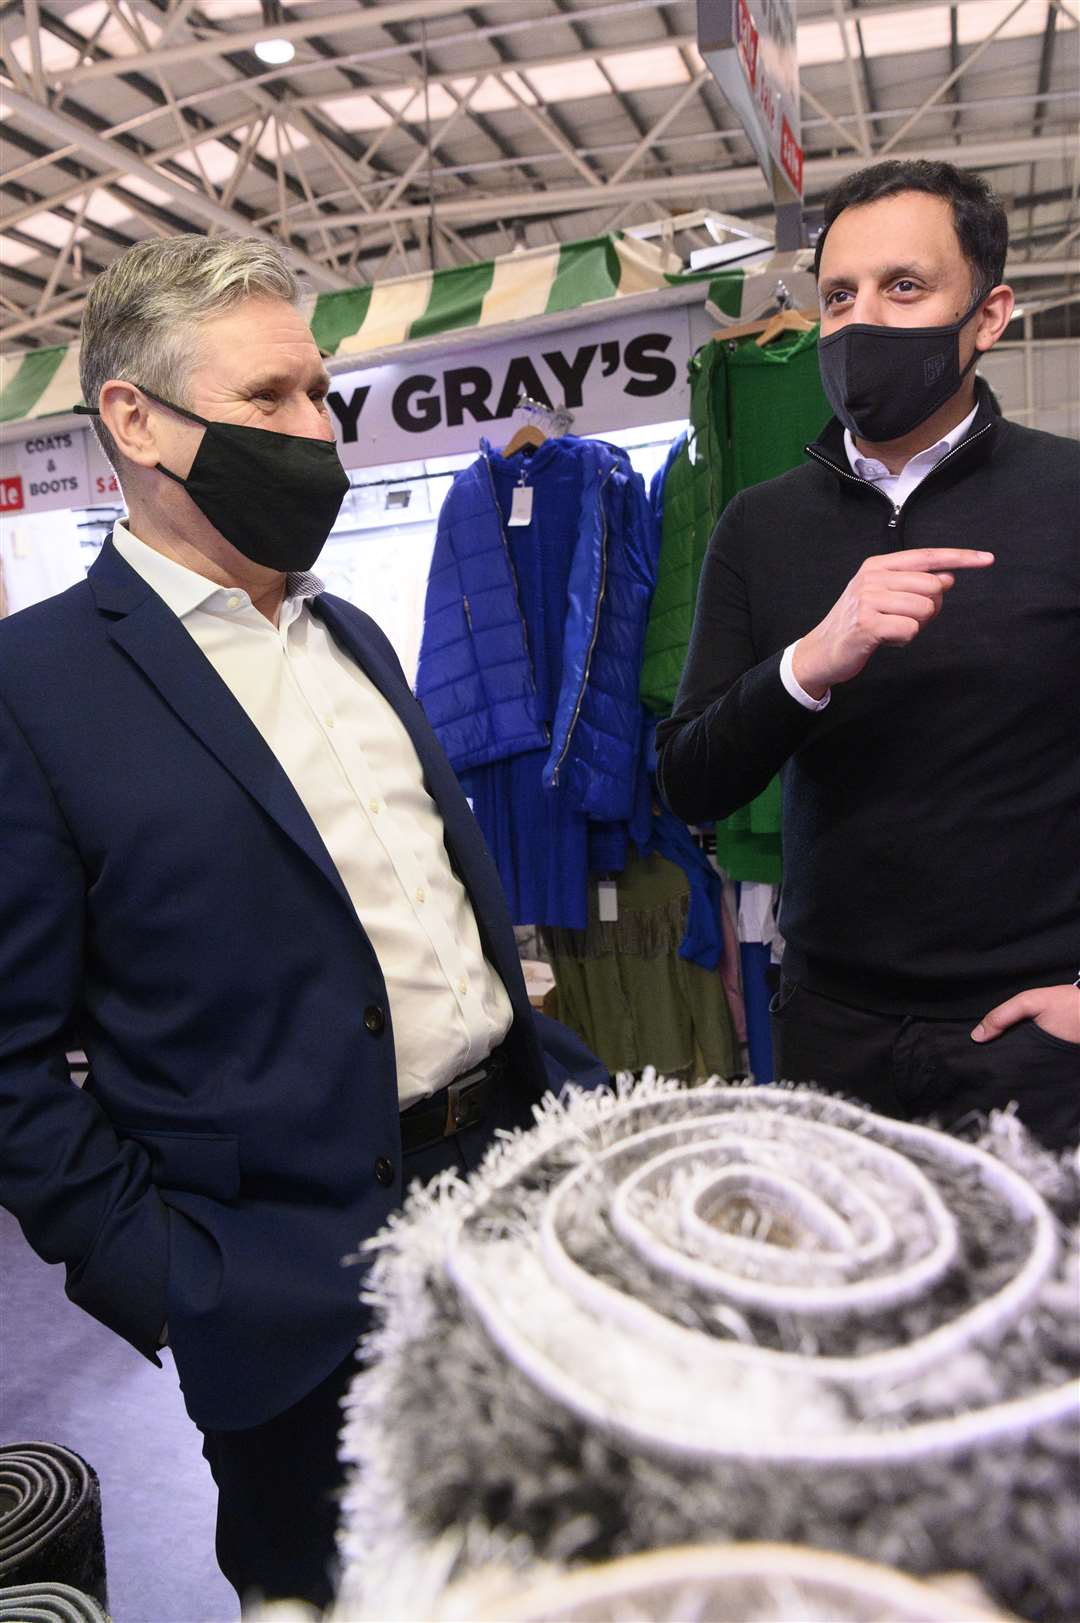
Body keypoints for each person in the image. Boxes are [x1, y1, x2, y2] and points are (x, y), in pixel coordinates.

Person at [0, 235, 605, 1611]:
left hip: (512, 1215)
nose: (316, 432)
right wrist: (169, 1280)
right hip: (286, 1298)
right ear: (134, 418)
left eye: (322, 396)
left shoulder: (354, 640)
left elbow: (429, 923)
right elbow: (10, 1061)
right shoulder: (32, 688)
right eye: (270, 398)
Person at [656, 159, 1079, 1150]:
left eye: (905, 287)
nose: (861, 322)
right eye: (839, 294)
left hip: (1037, 1039)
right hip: (829, 1034)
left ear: (989, 313)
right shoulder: (759, 528)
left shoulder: (1068, 499)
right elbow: (690, 779)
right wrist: (811, 660)